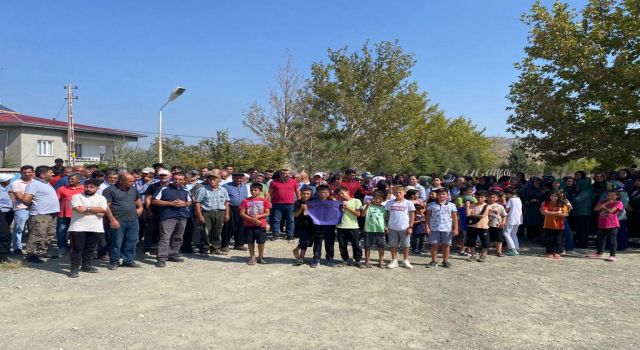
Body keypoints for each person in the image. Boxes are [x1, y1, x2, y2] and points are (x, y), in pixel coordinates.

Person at [67, 179, 108, 278]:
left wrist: (87, 209)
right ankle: (74, 268)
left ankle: (86, 265)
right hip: (78, 227)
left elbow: (103, 209)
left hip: (95, 227)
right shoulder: (76, 196)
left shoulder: (101, 198)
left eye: (92, 187)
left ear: (97, 188)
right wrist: (96, 212)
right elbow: (78, 209)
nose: (88, 189)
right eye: (87, 187)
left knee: (90, 249)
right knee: (77, 249)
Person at [151, 172, 192, 268]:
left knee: (178, 237)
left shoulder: (185, 190)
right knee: (165, 237)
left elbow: (190, 201)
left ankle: (173, 254)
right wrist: (170, 203)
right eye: (175, 179)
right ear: (172, 179)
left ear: (184, 180)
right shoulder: (164, 188)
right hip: (167, 216)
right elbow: (154, 200)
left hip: (182, 216)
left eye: (180, 179)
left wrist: (184, 204)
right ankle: (161, 258)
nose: (177, 181)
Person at [104, 173, 143, 270]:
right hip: (118, 221)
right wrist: (112, 220)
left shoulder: (133, 189)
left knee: (132, 241)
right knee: (116, 242)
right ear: (121, 181)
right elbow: (106, 206)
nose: (133, 183)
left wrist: (140, 208)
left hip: (133, 220)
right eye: (130, 181)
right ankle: (114, 261)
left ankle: (128, 260)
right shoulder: (109, 190)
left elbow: (138, 201)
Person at [22, 166, 60, 263]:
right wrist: (35, 206)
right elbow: (26, 199)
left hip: (51, 215)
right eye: (50, 173)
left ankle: (42, 252)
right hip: (40, 215)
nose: (53, 174)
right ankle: (31, 255)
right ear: (43, 174)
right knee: (37, 235)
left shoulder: (47, 184)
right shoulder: (34, 184)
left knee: (49, 235)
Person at [194, 171, 230, 256]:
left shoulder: (223, 189)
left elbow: (227, 202)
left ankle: (215, 249)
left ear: (219, 180)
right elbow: (197, 203)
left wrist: (227, 214)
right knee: (205, 232)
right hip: (207, 213)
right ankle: (204, 249)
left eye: (214, 179)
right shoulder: (202, 190)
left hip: (220, 212)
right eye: (210, 179)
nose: (212, 181)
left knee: (217, 232)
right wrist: (199, 215)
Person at [306, 185, 342, 268]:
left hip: (330, 224)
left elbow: (339, 209)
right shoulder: (313, 201)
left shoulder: (333, 201)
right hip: (318, 224)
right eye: (321, 192)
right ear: (317, 193)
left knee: (329, 242)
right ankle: (316, 259)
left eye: (325, 192)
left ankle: (329, 259)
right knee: (317, 242)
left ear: (329, 193)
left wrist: (336, 202)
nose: (323, 194)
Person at [425, 188, 459, 268]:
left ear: (447, 195)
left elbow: (455, 218)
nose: (441, 196)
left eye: (443, 194)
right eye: (439, 194)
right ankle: (434, 261)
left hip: (447, 228)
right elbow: (428, 217)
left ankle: (445, 261)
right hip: (434, 228)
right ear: (436, 195)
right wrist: (427, 227)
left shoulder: (452, 205)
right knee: (434, 244)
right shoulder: (431, 205)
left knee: (446, 245)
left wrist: (456, 228)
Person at [239, 183, 272, 265]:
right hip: (249, 225)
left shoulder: (264, 201)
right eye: (251, 190)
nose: (253, 192)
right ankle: (252, 257)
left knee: (261, 242)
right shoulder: (245, 201)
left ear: (260, 191)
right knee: (250, 242)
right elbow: (242, 213)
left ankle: (260, 257)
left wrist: (258, 216)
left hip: (261, 225)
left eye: (255, 190)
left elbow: (267, 213)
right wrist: (251, 219)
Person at [384, 185, 415, 269]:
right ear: (393, 193)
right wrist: (385, 226)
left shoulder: (409, 203)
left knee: (406, 245)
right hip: (392, 227)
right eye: (396, 192)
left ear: (404, 192)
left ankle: (405, 260)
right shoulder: (389, 203)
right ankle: (394, 260)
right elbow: (386, 215)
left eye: (400, 192)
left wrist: (410, 227)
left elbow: (412, 216)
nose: (398, 194)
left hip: (405, 227)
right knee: (393, 245)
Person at [587, 190, 623, 261]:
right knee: (600, 239)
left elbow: (611, 211)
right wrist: (605, 203)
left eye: (612, 195)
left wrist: (603, 207)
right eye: (608, 195)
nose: (610, 197)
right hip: (602, 224)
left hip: (612, 225)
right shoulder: (603, 202)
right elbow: (595, 209)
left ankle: (612, 255)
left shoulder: (619, 203)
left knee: (612, 240)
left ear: (617, 196)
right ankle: (599, 253)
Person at [55, 173, 84, 256]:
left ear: (79, 180)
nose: (70, 181)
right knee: (61, 232)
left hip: (78, 215)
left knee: (76, 232)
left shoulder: (84, 189)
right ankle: (62, 248)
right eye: (69, 179)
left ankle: (74, 248)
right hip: (63, 214)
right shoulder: (62, 189)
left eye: (72, 179)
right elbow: (56, 200)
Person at [142, 169, 171, 255]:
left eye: (165, 175)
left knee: (163, 232)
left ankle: (162, 249)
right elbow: (147, 199)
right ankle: (147, 248)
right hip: (154, 211)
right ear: (158, 176)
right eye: (161, 175)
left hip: (167, 213)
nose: (163, 177)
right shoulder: (152, 186)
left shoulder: (172, 186)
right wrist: (149, 211)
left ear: (169, 176)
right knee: (150, 230)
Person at [7, 165, 34, 255]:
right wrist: (34, 202)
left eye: (29, 172)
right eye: (24, 172)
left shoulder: (36, 182)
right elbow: (20, 197)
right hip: (21, 208)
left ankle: (31, 248)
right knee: (19, 229)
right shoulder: (16, 183)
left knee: (33, 229)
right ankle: (17, 247)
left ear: (32, 172)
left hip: (34, 209)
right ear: (20, 173)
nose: (27, 174)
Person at [268, 168, 300, 240]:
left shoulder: (294, 182)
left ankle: (290, 235)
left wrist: (299, 201)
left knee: (290, 220)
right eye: (285, 173)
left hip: (290, 204)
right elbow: (270, 193)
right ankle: (275, 235)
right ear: (280, 174)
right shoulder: (274, 182)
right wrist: (269, 202)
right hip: (277, 204)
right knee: (276, 220)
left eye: (288, 173)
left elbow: (297, 192)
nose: (287, 175)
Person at [335, 186, 363, 267]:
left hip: (353, 226)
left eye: (342, 193)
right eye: (339, 194)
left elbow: (358, 214)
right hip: (341, 226)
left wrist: (347, 208)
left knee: (356, 245)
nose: (341, 195)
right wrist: (340, 209)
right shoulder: (338, 202)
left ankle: (357, 260)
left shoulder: (356, 201)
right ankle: (345, 260)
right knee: (342, 245)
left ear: (347, 191)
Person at [222, 173, 249, 251]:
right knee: (228, 227)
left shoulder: (244, 186)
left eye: (240, 178)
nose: (239, 180)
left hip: (242, 208)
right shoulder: (226, 186)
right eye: (237, 178)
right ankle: (224, 245)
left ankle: (239, 244)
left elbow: (245, 197)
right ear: (233, 178)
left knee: (241, 226)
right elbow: (224, 199)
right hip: (230, 208)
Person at [540, 190, 570, 259]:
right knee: (549, 239)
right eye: (552, 196)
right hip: (548, 224)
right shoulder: (546, 203)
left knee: (558, 240)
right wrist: (557, 213)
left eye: (555, 196)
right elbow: (544, 212)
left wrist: (555, 213)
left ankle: (557, 252)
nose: (553, 197)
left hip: (559, 225)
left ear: (558, 197)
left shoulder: (562, 204)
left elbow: (566, 214)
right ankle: (549, 252)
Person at [361, 190, 386, 268]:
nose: (378, 200)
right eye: (376, 198)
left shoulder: (384, 208)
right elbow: (362, 214)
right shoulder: (367, 205)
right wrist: (367, 206)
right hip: (368, 229)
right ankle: (367, 261)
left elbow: (385, 218)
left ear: (383, 199)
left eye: (380, 199)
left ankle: (381, 261)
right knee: (367, 246)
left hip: (380, 229)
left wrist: (386, 226)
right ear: (373, 198)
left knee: (381, 246)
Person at [465, 191, 490, 262]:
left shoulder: (487, 206)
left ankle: (483, 255)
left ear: (485, 198)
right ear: (475, 197)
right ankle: (473, 255)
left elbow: (483, 216)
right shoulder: (472, 205)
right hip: (472, 226)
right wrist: (467, 206)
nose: (479, 198)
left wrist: (472, 215)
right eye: (478, 197)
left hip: (483, 226)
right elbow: (467, 214)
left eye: (482, 197)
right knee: (471, 241)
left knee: (485, 242)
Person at [292, 187, 313, 265]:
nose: (306, 195)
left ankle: (296, 249)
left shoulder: (313, 202)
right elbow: (295, 215)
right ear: (300, 194)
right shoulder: (297, 203)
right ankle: (301, 258)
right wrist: (301, 208)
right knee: (305, 241)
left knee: (309, 241)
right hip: (302, 225)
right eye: (304, 193)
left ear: (311, 195)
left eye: (308, 194)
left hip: (311, 224)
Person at [503, 188, 523, 256]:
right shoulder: (519, 199)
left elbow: (506, 210)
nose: (506, 196)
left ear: (510, 194)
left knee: (506, 233)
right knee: (514, 234)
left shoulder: (510, 200)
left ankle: (512, 249)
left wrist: (504, 203)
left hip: (511, 218)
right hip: (518, 219)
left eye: (507, 194)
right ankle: (516, 249)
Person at [486, 191, 507, 257]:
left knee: (499, 239)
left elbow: (504, 215)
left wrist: (503, 222)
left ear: (497, 198)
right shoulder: (485, 205)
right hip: (486, 224)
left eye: (493, 197)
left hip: (497, 224)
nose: (492, 199)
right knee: (487, 238)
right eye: (490, 197)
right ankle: (486, 251)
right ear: (487, 198)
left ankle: (499, 252)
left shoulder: (500, 206)